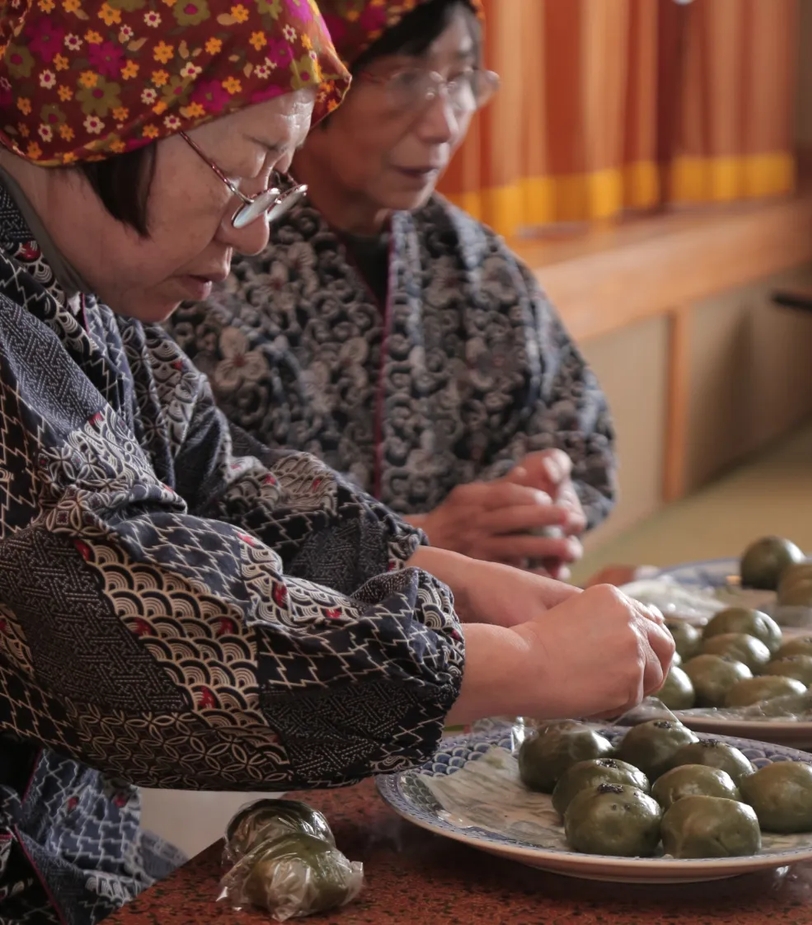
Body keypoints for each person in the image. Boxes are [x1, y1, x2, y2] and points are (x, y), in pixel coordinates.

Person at [0, 1, 671, 921]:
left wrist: (432, 571)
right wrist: (510, 663)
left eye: (275, 188)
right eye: (244, 178)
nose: (254, 233)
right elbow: (132, 602)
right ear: (104, 117)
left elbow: (219, 478)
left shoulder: (79, 285)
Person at [168, 0, 617, 579]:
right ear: (316, 85)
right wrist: (418, 539)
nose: (445, 123)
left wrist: (537, 499)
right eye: (408, 81)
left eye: (462, 82)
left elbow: (574, 427)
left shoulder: (471, 261)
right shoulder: (206, 264)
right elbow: (175, 523)